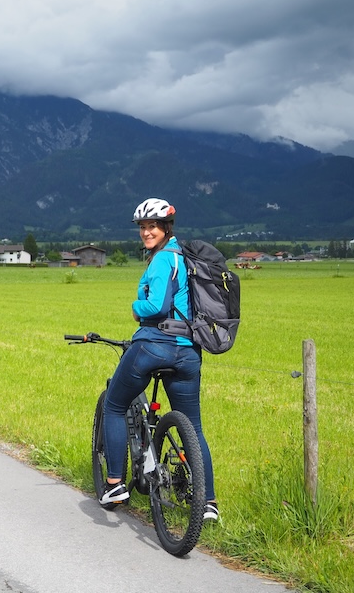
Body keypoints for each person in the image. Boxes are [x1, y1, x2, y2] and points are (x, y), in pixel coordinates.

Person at [99, 198, 218, 522]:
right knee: (193, 426)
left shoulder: (164, 259)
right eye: (142, 227)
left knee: (114, 405)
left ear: (166, 228)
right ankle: (207, 502)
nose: (146, 232)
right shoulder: (186, 258)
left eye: (152, 226)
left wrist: (136, 307)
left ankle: (114, 484)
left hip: (155, 345)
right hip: (188, 352)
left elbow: (157, 307)